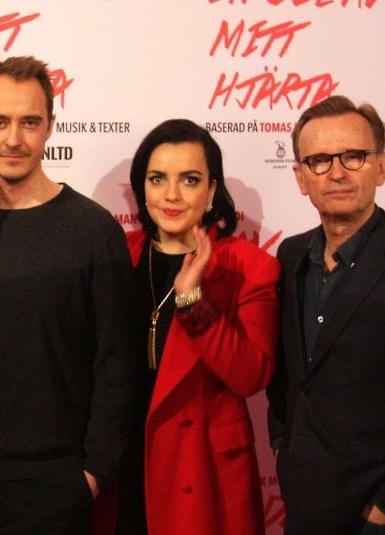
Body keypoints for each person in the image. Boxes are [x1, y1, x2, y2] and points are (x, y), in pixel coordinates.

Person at [0, 55, 136, 534]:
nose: (13, 138)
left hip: (57, 484)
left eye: (29, 122)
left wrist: (93, 473)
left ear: (49, 127)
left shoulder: (93, 231)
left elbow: (117, 361)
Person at [267, 95, 385, 534]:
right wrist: (281, 442)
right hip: (303, 513)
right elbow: (290, 376)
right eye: (319, 160)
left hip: (380, 522)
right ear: (300, 177)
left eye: (353, 156)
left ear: (381, 167)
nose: (337, 172)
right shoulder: (291, 256)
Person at [104, 119, 278, 534]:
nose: (172, 194)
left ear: (212, 190)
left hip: (201, 473)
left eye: (190, 179)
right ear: (141, 188)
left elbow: (251, 375)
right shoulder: (116, 257)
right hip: (124, 464)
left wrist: (192, 303)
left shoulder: (249, 266)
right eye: (158, 179)